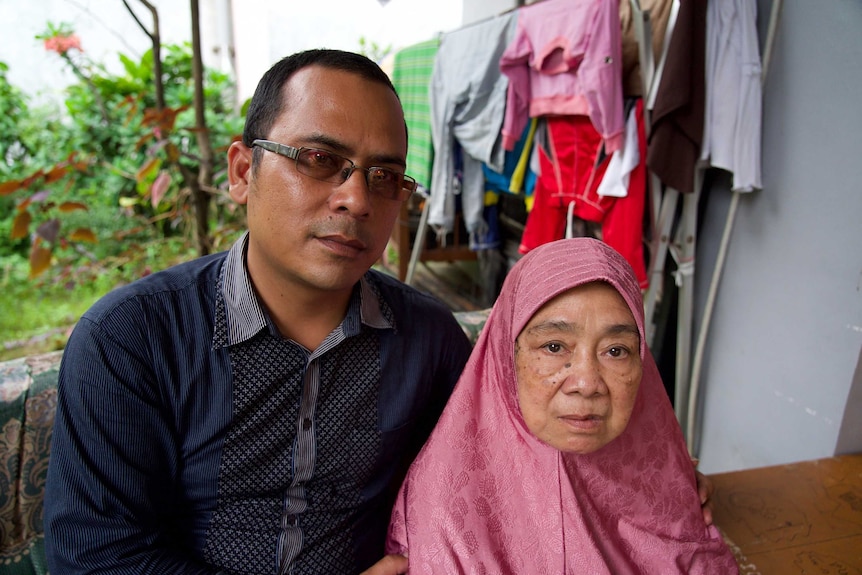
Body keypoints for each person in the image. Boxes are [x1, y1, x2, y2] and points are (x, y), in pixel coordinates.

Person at [44, 49, 472, 575]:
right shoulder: (132, 339)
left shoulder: (430, 342)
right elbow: (98, 559)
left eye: (383, 176)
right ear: (244, 171)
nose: (357, 200)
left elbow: (473, 495)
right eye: (319, 159)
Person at [386, 237, 738, 574]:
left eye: (616, 351)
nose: (586, 384)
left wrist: (676, 483)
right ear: (506, 358)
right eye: (554, 347)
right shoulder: (444, 512)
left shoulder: (664, 482)